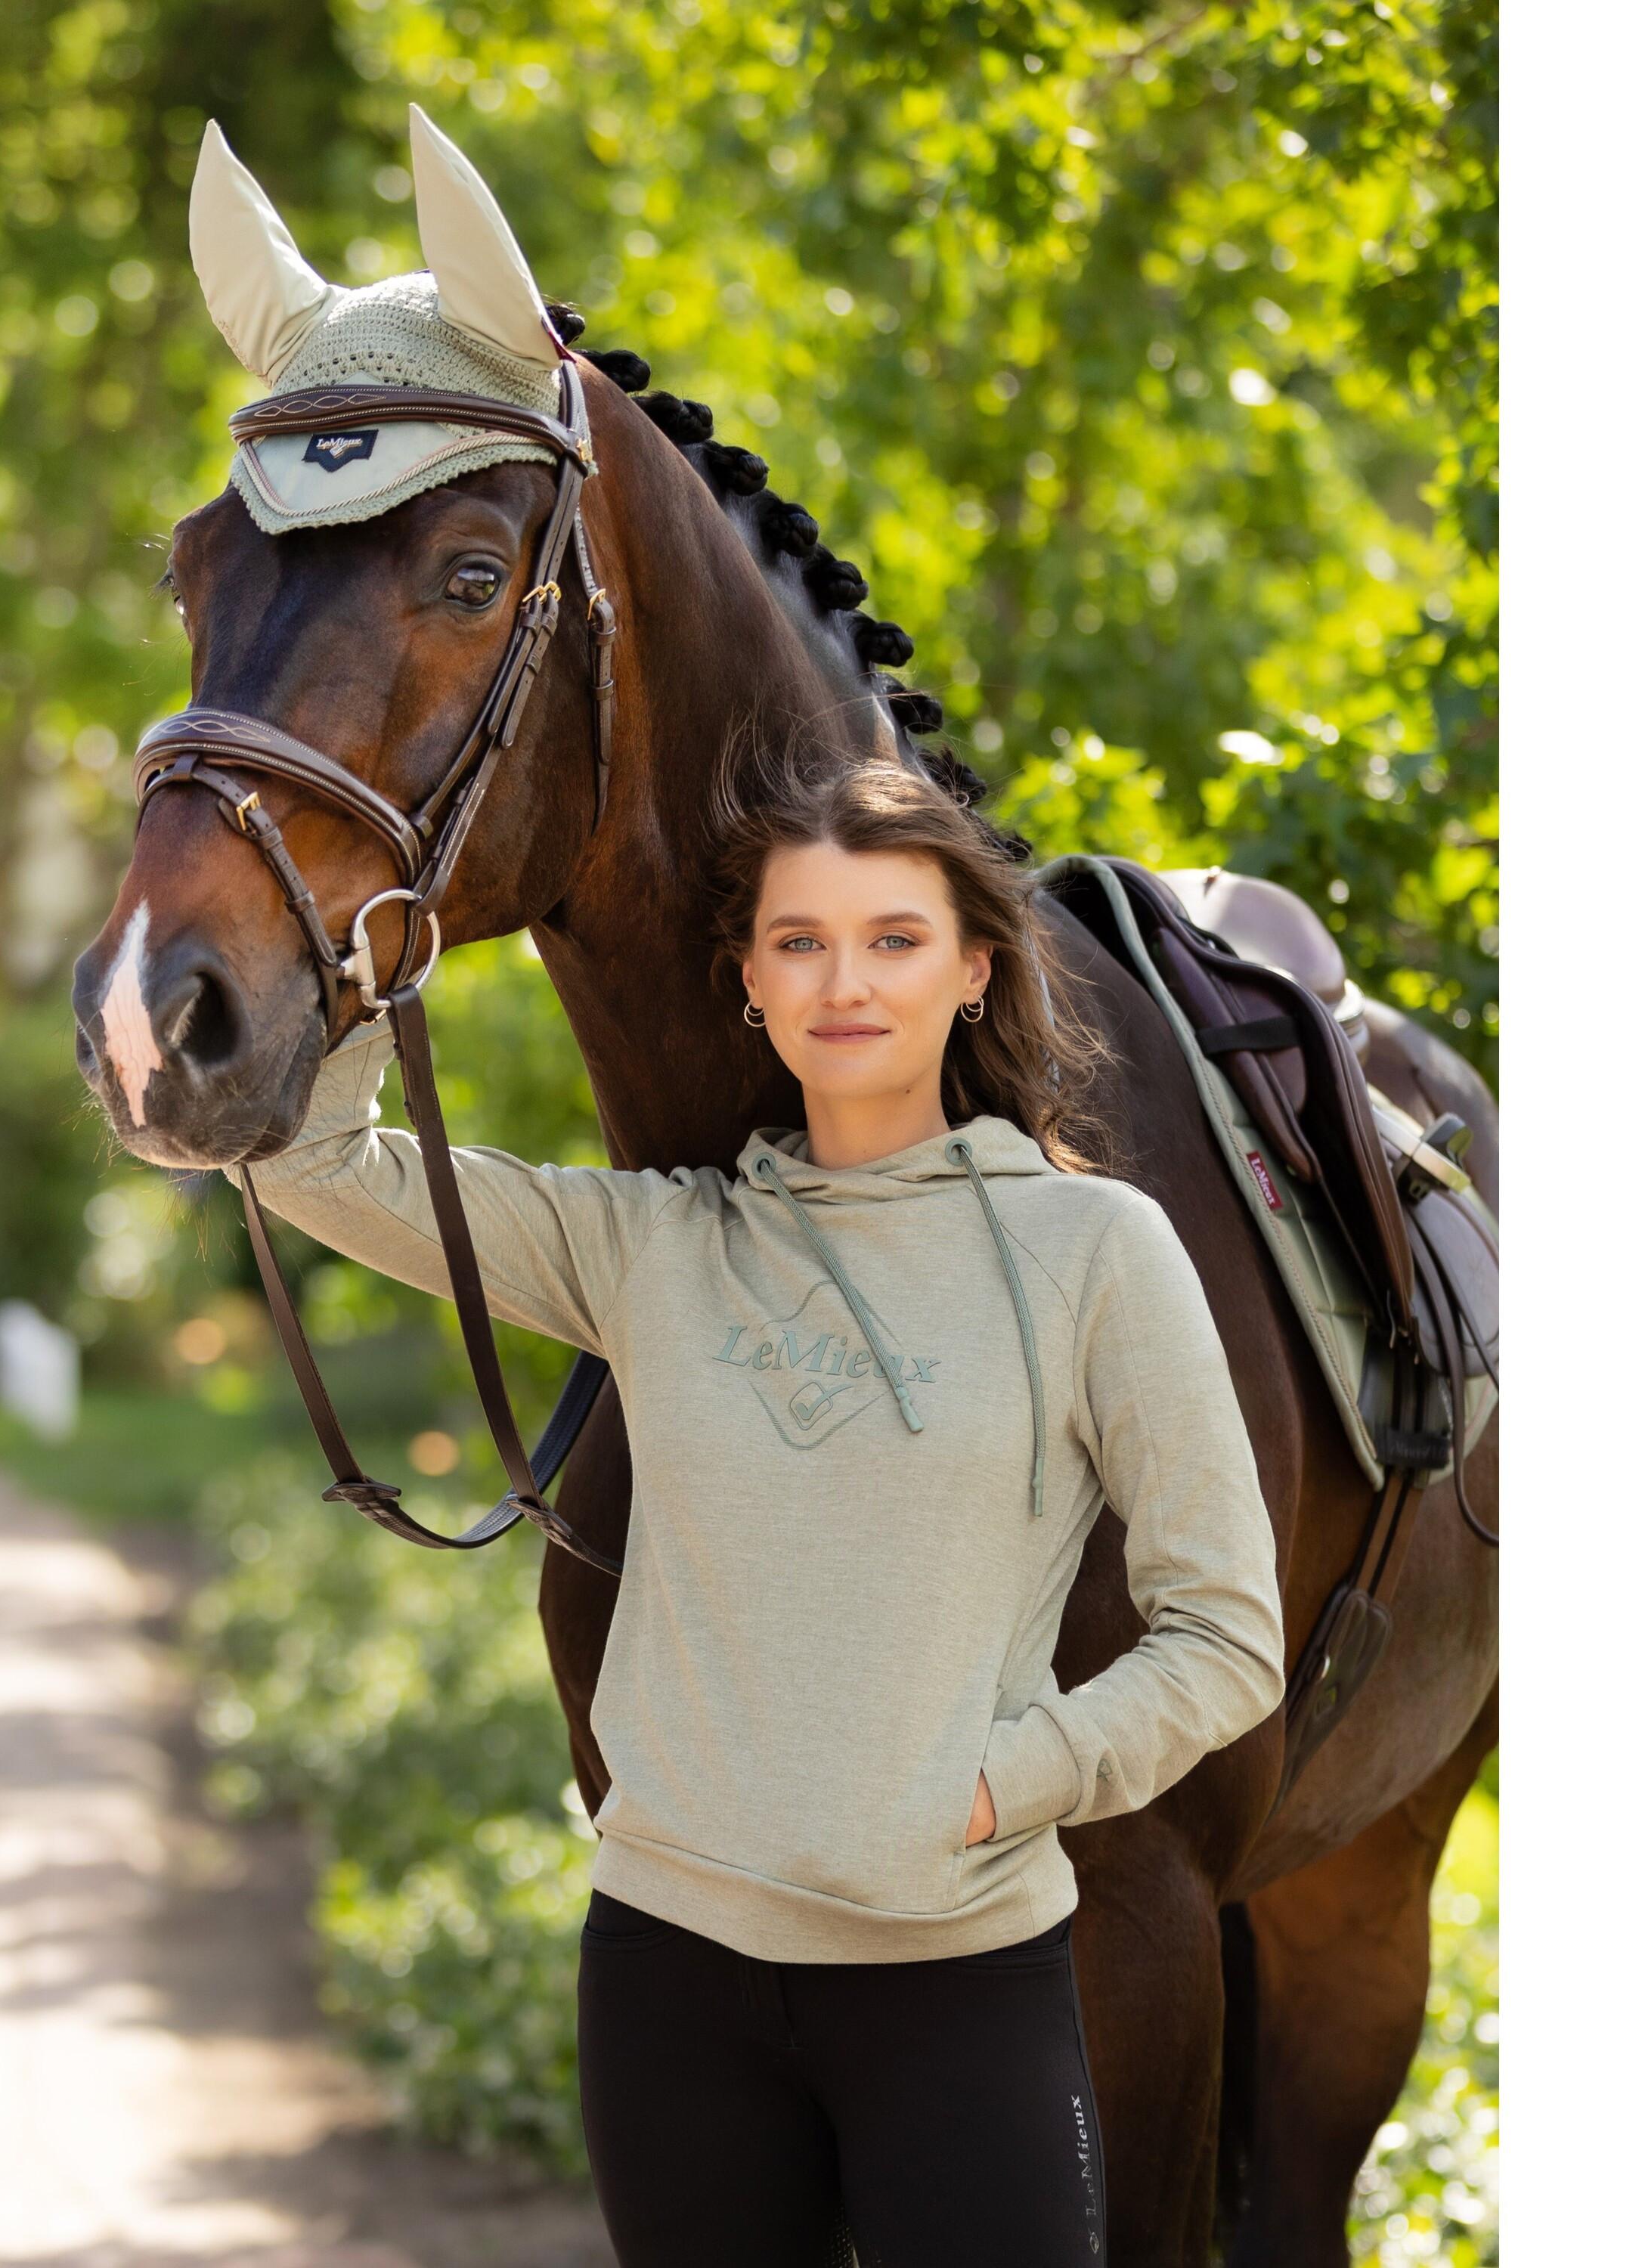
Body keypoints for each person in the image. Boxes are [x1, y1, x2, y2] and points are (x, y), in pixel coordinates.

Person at [231, 735, 1287, 2268]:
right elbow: (316, 1163)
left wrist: (1005, 1782)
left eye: (892, 939)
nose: (840, 981)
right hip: (669, 1986)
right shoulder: (652, 1250)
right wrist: (380, 937)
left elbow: (1227, 1634)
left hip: (959, 1985)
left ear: (977, 970)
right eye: (798, 941)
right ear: (749, 980)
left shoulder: (1095, 1252)